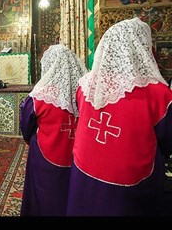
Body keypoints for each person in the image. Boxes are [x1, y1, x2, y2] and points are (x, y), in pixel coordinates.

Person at [66, 17, 172, 216]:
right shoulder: (158, 94)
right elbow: (168, 141)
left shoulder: (85, 85)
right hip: (128, 189)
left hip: (83, 174)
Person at [19, 44, 87, 216]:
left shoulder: (40, 95)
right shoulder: (86, 93)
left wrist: (28, 138)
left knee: (44, 195)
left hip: (46, 154)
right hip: (80, 155)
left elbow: (27, 124)